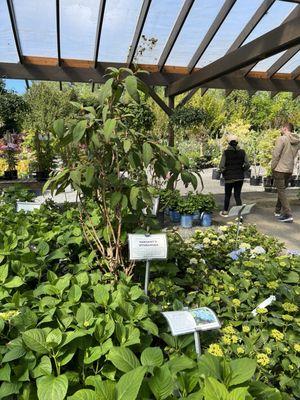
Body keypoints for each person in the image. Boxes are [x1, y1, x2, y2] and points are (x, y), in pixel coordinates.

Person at [271, 122, 300, 223]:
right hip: (289, 169)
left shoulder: (282, 138)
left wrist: (273, 167)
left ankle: (288, 214)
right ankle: (277, 210)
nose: (280, 129)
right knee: (282, 190)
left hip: (279, 169)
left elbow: (276, 155)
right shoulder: (297, 140)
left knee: (281, 191)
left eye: (281, 128)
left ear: (285, 129)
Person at [219, 134, 250, 217]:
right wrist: (242, 170)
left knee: (227, 195)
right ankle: (240, 213)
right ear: (237, 142)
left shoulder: (226, 153)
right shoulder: (242, 152)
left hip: (229, 177)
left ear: (229, 143)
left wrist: (225, 172)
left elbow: (221, 166)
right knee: (237, 195)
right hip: (239, 177)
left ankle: (225, 211)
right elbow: (247, 164)